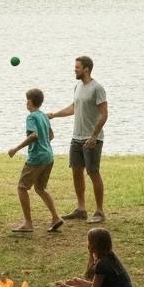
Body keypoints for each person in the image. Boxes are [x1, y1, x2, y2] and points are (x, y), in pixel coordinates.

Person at [48, 55, 108, 223]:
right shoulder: (78, 86)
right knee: (76, 172)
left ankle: (100, 212)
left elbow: (104, 115)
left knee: (93, 173)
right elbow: (74, 108)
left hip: (92, 139)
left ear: (86, 69)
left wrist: (94, 136)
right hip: (76, 138)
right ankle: (81, 209)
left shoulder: (97, 88)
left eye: (77, 67)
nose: (74, 70)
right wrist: (54, 115)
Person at [7, 87, 64, 234]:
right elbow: (51, 135)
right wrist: (44, 145)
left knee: (22, 187)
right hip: (49, 156)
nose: (26, 102)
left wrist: (16, 149)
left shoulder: (31, 117)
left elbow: (33, 135)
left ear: (30, 102)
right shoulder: (44, 116)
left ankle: (28, 223)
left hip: (37, 158)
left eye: (27, 100)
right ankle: (56, 217)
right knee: (40, 188)